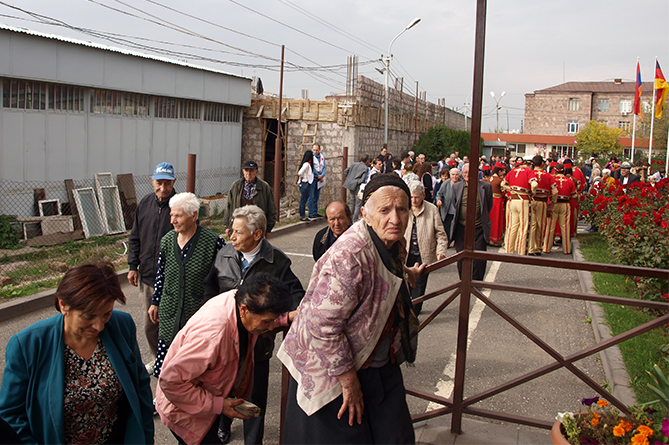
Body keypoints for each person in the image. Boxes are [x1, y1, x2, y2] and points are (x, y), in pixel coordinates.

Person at [278, 174, 424, 445]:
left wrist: (404, 274)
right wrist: (348, 381)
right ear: (366, 215)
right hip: (333, 367)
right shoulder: (349, 256)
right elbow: (321, 326)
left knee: (397, 436)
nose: (395, 218)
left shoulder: (391, 242)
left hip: (375, 361)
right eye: (385, 210)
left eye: (401, 209)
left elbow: (382, 274)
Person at [0, 262, 154, 444]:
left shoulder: (121, 325)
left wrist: (144, 437)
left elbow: (140, 386)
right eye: (88, 316)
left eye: (106, 314)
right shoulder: (28, 345)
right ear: (63, 304)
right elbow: (11, 416)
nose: (99, 326)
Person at [202, 205, 304, 445]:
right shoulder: (225, 254)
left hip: (258, 341)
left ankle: (253, 440)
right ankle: (222, 427)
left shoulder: (276, 260)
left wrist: (286, 316)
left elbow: (296, 292)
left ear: (257, 234)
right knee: (222, 386)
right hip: (225, 339)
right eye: (231, 230)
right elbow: (210, 287)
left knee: (255, 394)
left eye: (237, 231)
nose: (231, 235)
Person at [156, 273, 294, 445]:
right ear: (244, 310)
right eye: (267, 322)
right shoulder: (212, 335)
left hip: (205, 403)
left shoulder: (239, 299)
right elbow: (171, 382)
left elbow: (263, 315)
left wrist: (284, 319)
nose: (270, 326)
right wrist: (218, 405)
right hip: (184, 410)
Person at [149, 192, 225, 377]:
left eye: (178, 216)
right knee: (166, 368)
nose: (173, 220)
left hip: (197, 313)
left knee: (193, 369)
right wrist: (155, 302)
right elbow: (161, 275)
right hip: (170, 313)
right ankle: (163, 404)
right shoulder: (167, 241)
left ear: (194, 216)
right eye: (171, 215)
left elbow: (223, 279)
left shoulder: (212, 242)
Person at [127, 161, 176, 371]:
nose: (163, 188)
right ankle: (158, 359)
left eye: (167, 183)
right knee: (150, 324)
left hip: (172, 278)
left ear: (174, 181)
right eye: (159, 183)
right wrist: (132, 265)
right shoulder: (145, 204)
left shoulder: (179, 205)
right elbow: (135, 236)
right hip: (147, 276)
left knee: (171, 323)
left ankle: (174, 360)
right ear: (152, 180)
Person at [404, 182, 447, 314]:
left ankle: (414, 312)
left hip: (424, 253)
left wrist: (441, 251)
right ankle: (407, 309)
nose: (414, 200)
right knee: (405, 284)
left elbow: (440, 233)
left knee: (419, 285)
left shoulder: (432, 209)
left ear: (423, 196)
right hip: (406, 253)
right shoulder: (404, 209)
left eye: (417, 197)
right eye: (411, 197)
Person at [449, 163, 493, 281]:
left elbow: (488, 205)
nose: (468, 175)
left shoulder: (486, 187)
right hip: (461, 228)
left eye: (470, 172)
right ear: (462, 174)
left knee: (479, 258)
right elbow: (455, 204)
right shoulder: (457, 187)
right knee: (461, 257)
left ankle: (476, 282)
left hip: (478, 228)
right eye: (465, 173)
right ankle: (464, 282)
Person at [224, 160, 277, 236]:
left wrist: (268, 229)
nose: (249, 173)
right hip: (239, 227)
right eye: (246, 170)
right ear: (243, 171)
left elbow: (271, 209)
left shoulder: (264, 187)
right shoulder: (236, 186)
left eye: (251, 171)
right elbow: (228, 207)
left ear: (256, 172)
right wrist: (227, 226)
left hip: (257, 227)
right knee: (240, 246)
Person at [501, 158, 534, 255]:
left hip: (513, 200)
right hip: (523, 200)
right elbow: (534, 184)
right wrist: (533, 192)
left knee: (512, 226)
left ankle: (509, 250)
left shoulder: (512, 171)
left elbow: (503, 184)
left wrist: (511, 190)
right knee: (524, 227)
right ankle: (522, 251)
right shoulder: (528, 171)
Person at [543, 164, 576, 254]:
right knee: (565, 227)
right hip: (565, 204)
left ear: (556, 170)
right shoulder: (569, 181)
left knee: (550, 227)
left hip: (553, 203)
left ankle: (546, 248)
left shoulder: (551, 179)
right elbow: (574, 194)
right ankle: (567, 249)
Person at [528, 156, 557, 256]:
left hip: (531, 201)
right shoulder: (548, 175)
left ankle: (530, 248)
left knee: (532, 224)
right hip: (542, 202)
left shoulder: (530, 173)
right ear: (542, 164)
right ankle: (538, 247)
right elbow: (555, 190)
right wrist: (553, 201)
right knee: (540, 225)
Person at [435, 168, 461, 242]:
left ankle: (456, 241)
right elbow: (439, 194)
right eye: (453, 174)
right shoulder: (446, 183)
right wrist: (439, 200)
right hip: (447, 209)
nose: (454, 176)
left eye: (456, 175)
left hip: (457, 209)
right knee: (447, 226)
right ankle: (447, 242)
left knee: (457, 227)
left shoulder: (462, 183)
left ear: (459, 175)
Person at [343, 154, 371, 223]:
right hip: (358, 186)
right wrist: (357, 181)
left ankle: (349, 218)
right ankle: (354, 220)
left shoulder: (354, 164)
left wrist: (349, 179)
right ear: (367, 160)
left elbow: (345, 171)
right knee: (358, 204)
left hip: (350, 185)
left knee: (352, 202)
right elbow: (363, 179)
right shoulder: (365, 168)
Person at [487, 163, 506, 247]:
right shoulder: (499, 181)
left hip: (490, 200)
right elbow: (503, 193)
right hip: (497, 201)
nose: (504, 173)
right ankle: (493, 239)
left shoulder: (489, 179)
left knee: (490, 219)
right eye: (502, 171)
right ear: (499, 171)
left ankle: (488, 237)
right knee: (496, 220)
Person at [309, 144, 326, 218]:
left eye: (316, 150)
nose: (315, 151)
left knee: (316, 196)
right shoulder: (311, 157)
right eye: (314, 150)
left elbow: (324, 167)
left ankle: (315, 212)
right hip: (313, 178)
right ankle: (311, 213)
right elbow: (312, 168)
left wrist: (322, 175)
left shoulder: (322, 157)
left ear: (319, 149)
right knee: (311, 196)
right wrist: (318, 175)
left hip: (320, 178)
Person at [297, 150, 314, 222]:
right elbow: (299, 172)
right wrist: (302, 178)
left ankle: (302, 215)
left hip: (305, 183)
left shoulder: (306, 164)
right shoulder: (306, 164)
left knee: (304, 200)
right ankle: (302, 216)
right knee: (303, 201)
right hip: (305, 183)